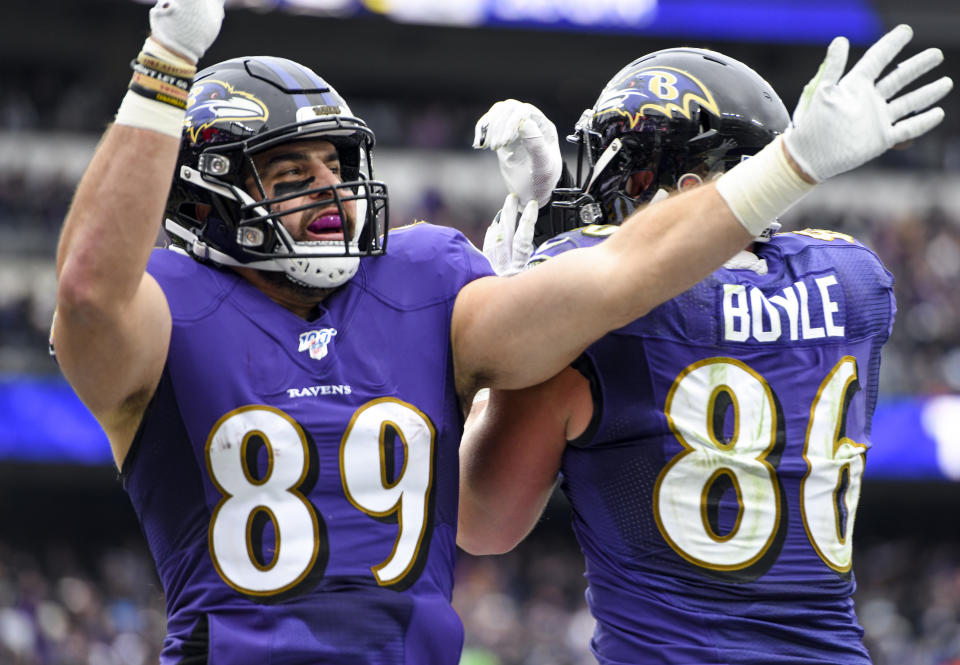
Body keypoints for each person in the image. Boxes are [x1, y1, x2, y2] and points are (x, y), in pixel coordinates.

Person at [459, 37, 951, 664]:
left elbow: (483, 521)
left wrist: (529, 297)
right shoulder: (856, 281)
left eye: (629, 170)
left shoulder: (601, 315)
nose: (602, 192)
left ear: (688, 188)